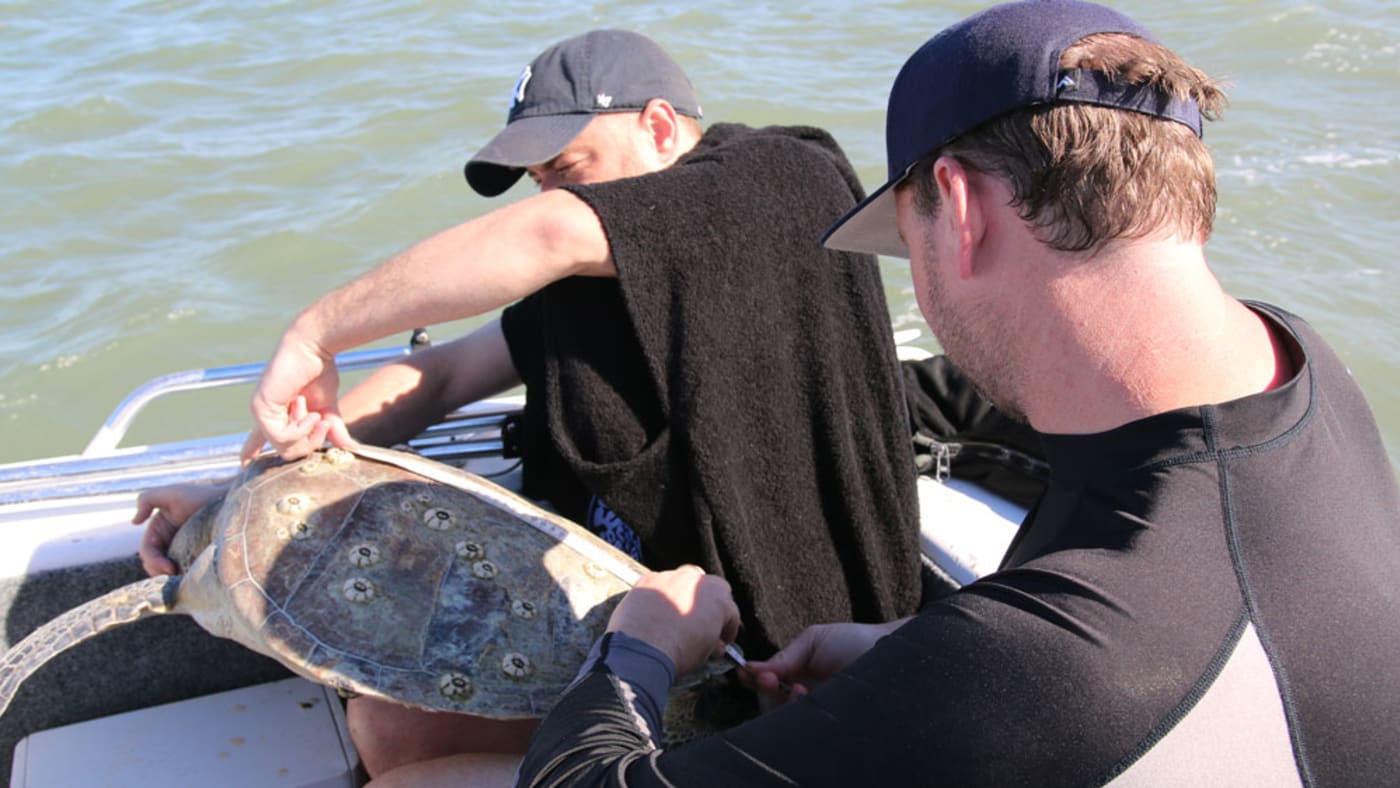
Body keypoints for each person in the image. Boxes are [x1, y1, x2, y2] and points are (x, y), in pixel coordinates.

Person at [513, 2, 1400, 785]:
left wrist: (641, 646)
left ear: (960, 207)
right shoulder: (1296, 362)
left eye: (907, 243)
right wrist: (907, 656)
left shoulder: (1054, 662)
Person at [135, 28, 923, 784]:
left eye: (565, 165)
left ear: (656, 127)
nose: (550, 191)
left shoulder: (778, 175)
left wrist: (315, 334)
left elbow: (546, 236)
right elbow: (437, 378)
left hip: (783, 663)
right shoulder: (584, 284)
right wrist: (242, 490)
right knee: (386, 725)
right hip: (633, 634)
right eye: (539, 178)